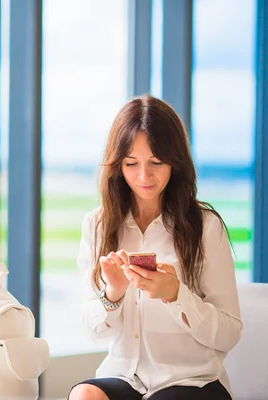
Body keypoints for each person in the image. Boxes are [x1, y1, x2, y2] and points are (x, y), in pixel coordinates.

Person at [68, 94, 243, 400]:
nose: (143, 176)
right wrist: (113, 294)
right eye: (131, 163)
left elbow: (230, 333)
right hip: (126, 376)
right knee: (84, 395)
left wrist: (176, 296)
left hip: (193, 381)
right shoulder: (98, 226)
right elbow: (93, 332)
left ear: (175, 163)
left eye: (156, 163)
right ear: (117, 165)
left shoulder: (205, 227)